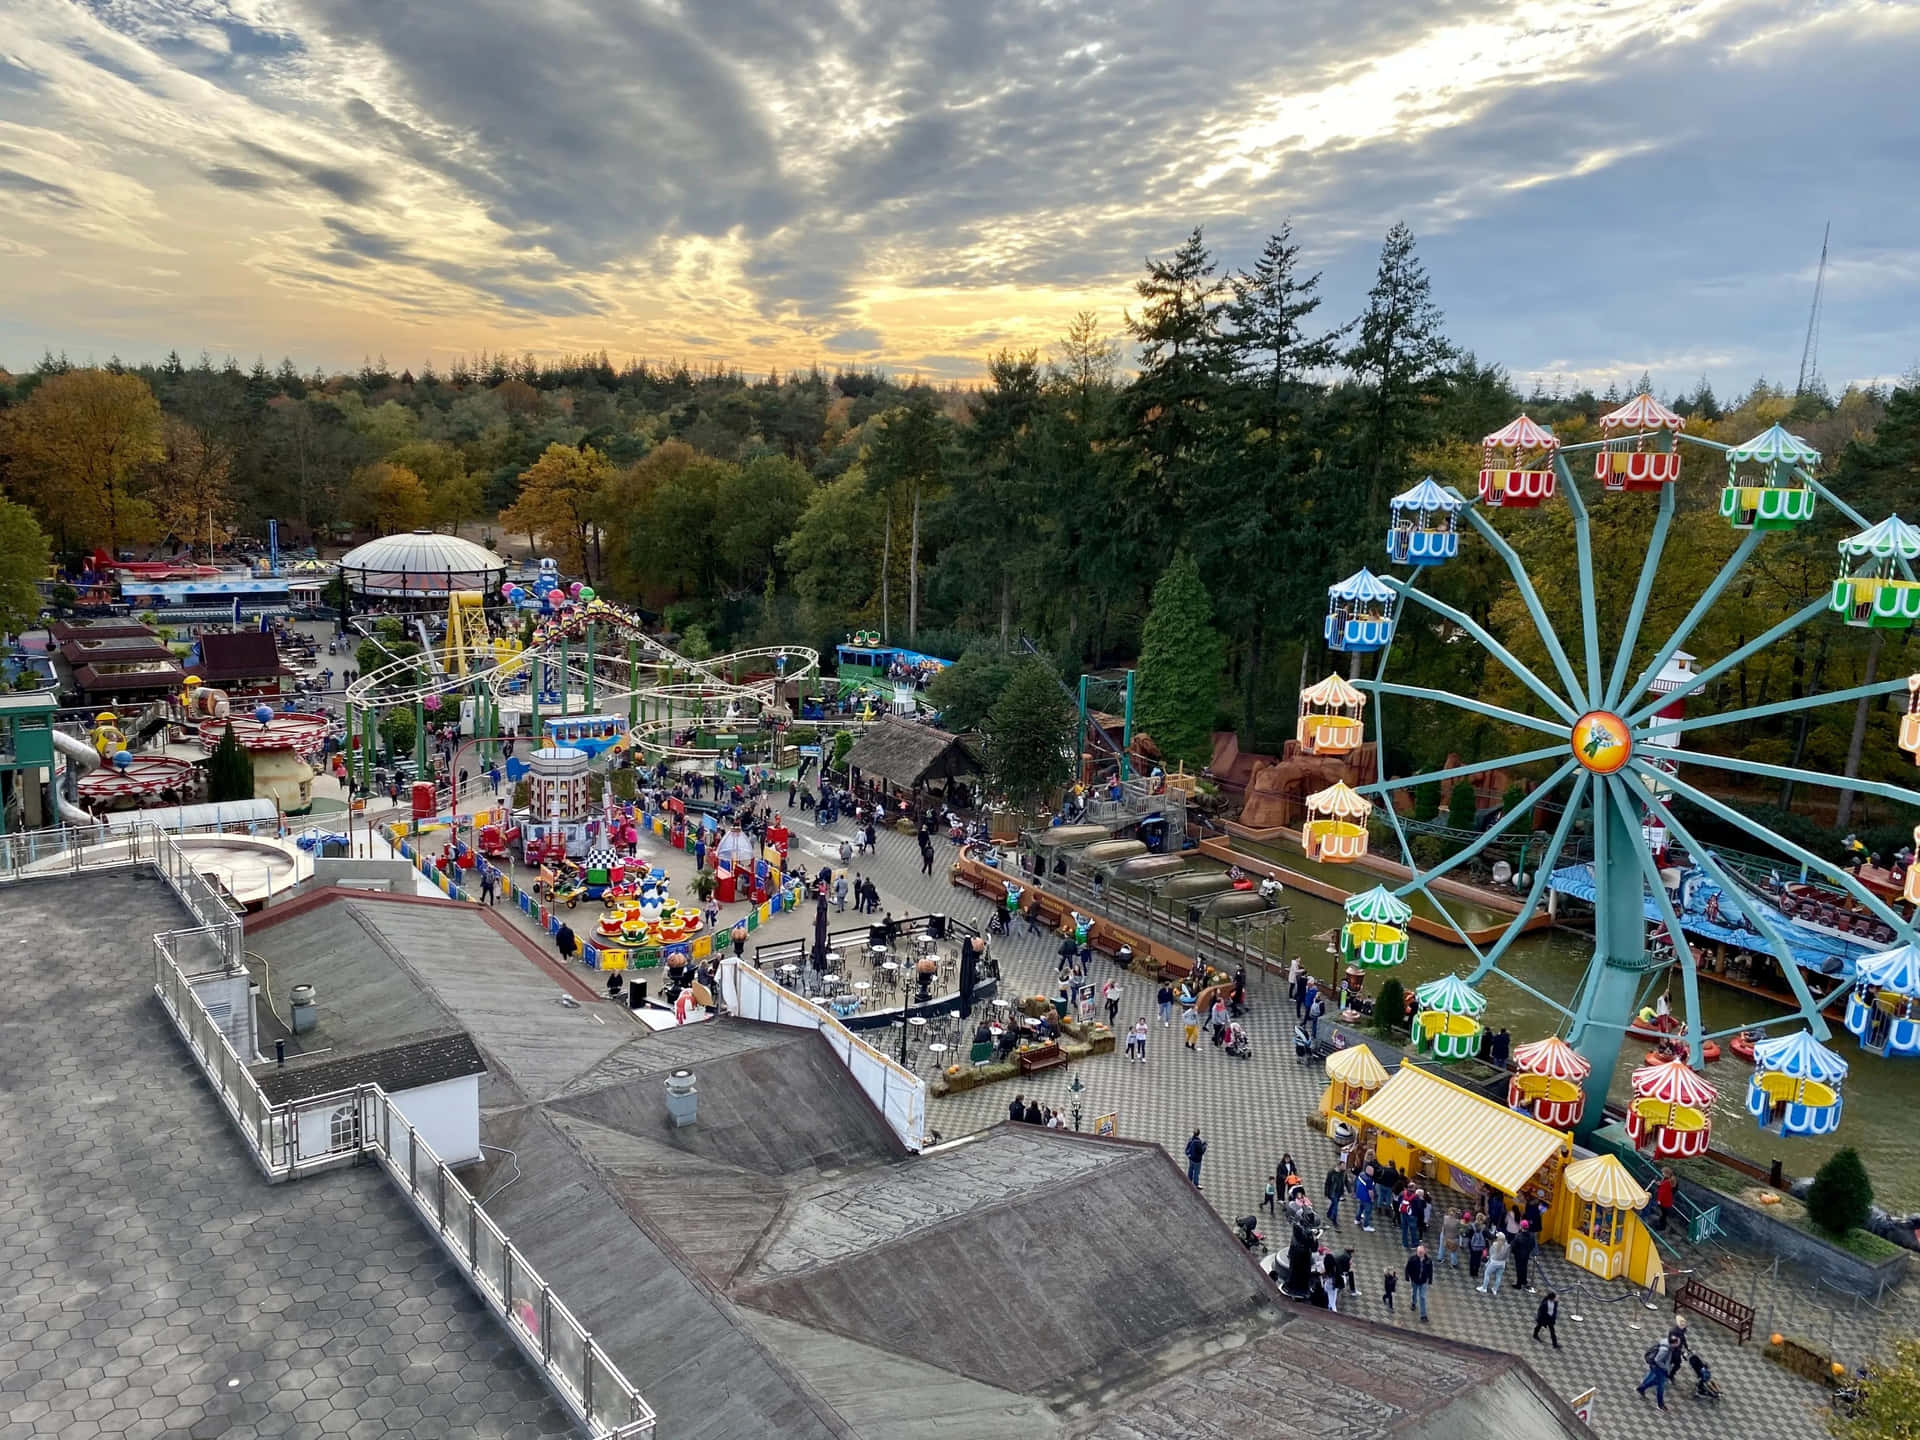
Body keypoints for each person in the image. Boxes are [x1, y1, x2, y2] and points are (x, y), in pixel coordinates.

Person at [1637, 1336, 1676, 1410]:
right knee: (1661, 1386)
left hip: (1656, 1367)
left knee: (1657, 1381)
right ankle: (1660, 1405)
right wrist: (1665, 1368)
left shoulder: (1666, 1342)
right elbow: (1657, 1360)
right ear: (1673, 1343)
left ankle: (1641, 1388)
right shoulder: (1665, 1350)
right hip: (1659, 1368)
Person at [1404, 1245, 1433, 1322]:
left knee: (1422, 1297)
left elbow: (1430, 1270)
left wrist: (1430, 1280)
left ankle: (1423, 1315)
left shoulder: (1428, 1261)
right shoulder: (1412, 1259)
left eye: (1421, 1252)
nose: (1420, 1254)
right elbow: (1407, 1268)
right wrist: (1407, 1276)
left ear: (1424, 1252)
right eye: (1418, 1252)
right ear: (1416, 1252)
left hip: (1423, 1282)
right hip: (1415, 1281)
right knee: (1414, 1292)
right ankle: (1413, 1303)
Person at [1479, 1230, 1510, 1295]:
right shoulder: (1507, 1246)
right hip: (1502, 1263)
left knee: (1487, 1273)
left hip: (1494, 1262)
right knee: (1499, 1276)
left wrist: (1488, 1262)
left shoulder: (1495, 1244)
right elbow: (1507, 1256)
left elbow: (1491, 1254)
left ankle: (1484, 1288)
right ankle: (1495, 1289)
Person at [1511, 1219, 1538, 1292]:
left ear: (1521, 1227)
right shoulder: (1532, 1236)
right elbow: (1533, 1245)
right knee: (1524, 1268)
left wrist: (1515, 1252)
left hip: (1519, 1256)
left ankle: (1518, 1284)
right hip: (1526, 1255)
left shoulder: (1518, 1236)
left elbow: (1513, 1246)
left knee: (1519, 1269)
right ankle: (1524, 1281)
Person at [1323, 1164, 1347, 1228]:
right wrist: (1326, 1192)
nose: (1345, 1168)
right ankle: (1334, 1221)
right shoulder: (1331, 1173)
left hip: (1339, 1192)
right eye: (1343, 1166)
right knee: (1335, 1207)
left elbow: (1345, 1181)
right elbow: (1327, 1183)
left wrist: (1349, 1190)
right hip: (1332, 1193)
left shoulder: (1343, 1173)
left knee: (1334, 1204)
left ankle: (1329, 1213)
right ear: (1339, 1166)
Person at [1466, 1215, 1489, 1281]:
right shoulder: (1484, 1228)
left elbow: (1468, 1235)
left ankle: (1471, 1272)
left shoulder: (1472, 1226)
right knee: (1478, 1258)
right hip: (1480, 1246)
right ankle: (1476, 1272)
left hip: (1472, 1245)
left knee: (1472, 1257)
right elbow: (1489, 1236)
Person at [1354, 1166, 1376, 1232]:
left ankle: (1357, 1220)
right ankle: (1366, 1226)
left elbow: (1356, 1182)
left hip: (1360, 1196)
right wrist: (1372, 1198)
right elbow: (1370, 1191)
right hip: (1367, 1198)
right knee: (1367, 1212)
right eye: (1372, 1171)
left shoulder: (1361, 1174)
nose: (1373, 1172)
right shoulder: (1369, 1180)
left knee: (1361, 1208)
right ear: (1369, 1171)